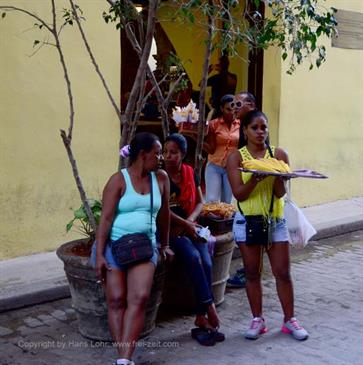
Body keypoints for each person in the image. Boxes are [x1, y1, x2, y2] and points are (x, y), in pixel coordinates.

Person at [226, 110, 309, 341]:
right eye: (255, 127)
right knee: (252, 273)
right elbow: (239, 195)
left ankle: (289, 320)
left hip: (275, 220)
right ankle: (257, 319)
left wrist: (281, 180)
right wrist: (255, 178)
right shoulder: (237, 158)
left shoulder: (279, 154)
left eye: (264, 127)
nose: (260, 132)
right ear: (245, 131)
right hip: (247, 221)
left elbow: (279, 193)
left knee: (282, 272)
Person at [91, 132, 172, 365]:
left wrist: (164, 245)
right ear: (142, 155)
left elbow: (164, 215)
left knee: (140, 297)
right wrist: (99, 256)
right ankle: (123, 358)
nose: (160, 158)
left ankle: (124, 360)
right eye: (157, 154)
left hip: (144, 246)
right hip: (114, 246)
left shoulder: (161, 179)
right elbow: (105, 220)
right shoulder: (118, 180)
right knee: (116, 300)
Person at [162, 133, 222, 342]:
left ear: (183, 154)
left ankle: (200, 316)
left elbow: (199, 202)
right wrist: (184, 224)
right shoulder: (160, 176)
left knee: (206, 261)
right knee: (193, 258)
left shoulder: (189, 172)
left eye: (173, 152)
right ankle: (210, 305)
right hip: (170, 231)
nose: (168, 156)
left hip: (191, 226)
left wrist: (190, 221)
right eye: (165, 152)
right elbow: (161, 210)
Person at [226, 91, 257, 288]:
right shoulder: (243, 126)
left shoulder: (255, 125)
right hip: (245, 184)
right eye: (233, 104)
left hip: (254, 186)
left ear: (251, 105)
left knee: (252, 233)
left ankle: (250, 272)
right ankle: (250, 270)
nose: (234, 108)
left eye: (239, 104)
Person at [204, 94, 240, 204]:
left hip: (231, 168)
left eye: (234, 109)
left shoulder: (241, 125)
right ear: (221, 109)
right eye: (228, 109)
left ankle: (226, 222)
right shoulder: (214, 124)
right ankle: (212, 221)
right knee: (212, 200)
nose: (231, 112)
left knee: (228, 202)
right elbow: (211, 149)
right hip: (214, 166)